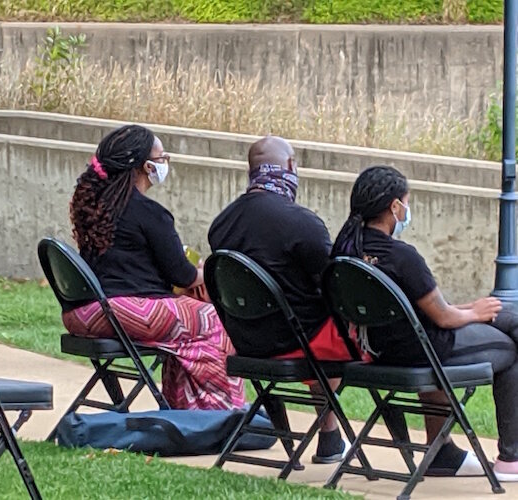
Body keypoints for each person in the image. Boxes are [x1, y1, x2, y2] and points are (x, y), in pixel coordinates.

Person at [332, 165, 518, 481]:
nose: (407, 210)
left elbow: (425, 309)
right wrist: (474, 313)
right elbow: (443, 317)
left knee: (504, 315)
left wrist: (472, 309)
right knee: (511, 351)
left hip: (380, 350)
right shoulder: (402, 256)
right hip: (423, 350)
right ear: (395, 206)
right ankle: (511, 459)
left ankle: (441, 452)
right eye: (406, 203)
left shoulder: (345, 252)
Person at [64, 124, 245, 410]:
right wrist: (209, 274)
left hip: (82, 312)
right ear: (146, 167)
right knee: (212, 319)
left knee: (186, 325)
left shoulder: (95, 208)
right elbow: (182, 275)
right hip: (121, 310)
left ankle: (188, 409)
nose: (165, 163)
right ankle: (220, 411)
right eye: (162, 158)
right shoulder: (150, 213)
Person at [208, 135, 358, 463]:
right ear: (291, 166)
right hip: (299, 342)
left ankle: (331, 438)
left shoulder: (221, 224)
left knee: (315, 322)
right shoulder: (301, 223)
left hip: (248, 342)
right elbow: (336, 284)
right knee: (357, 329)